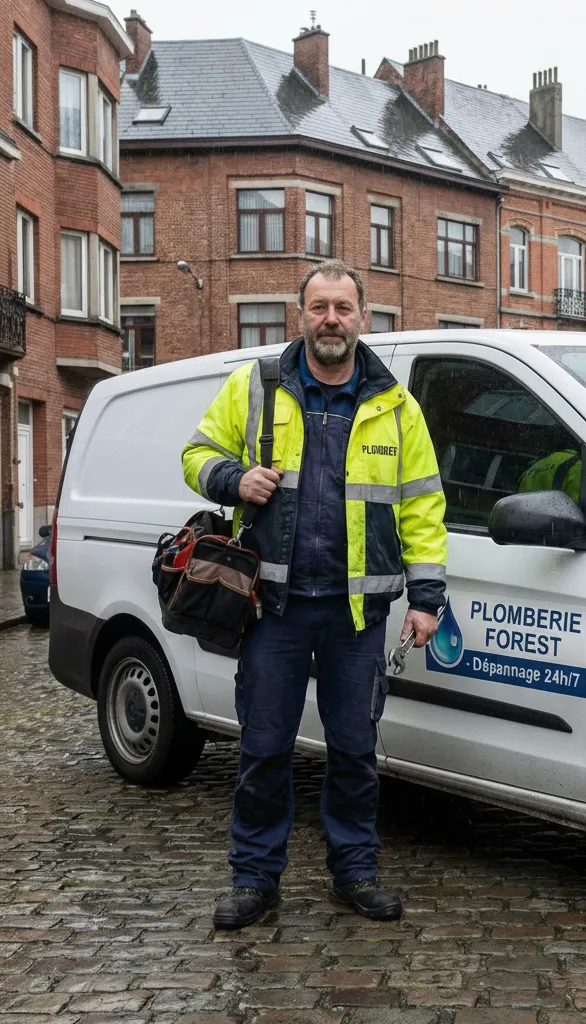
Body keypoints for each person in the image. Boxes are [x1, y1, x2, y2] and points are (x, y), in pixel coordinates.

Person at [182, 259, 447, 931]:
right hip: (273, 609)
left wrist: (426, 597)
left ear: (363, 317)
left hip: (357, 614)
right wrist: (235, 480)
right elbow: (195, 454)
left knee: (355, 750)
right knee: (265, 749)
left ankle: (354, 872)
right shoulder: (257, 386)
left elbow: (422, 507)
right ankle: (254, 879)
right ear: (301, 315)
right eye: (320, 307)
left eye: (344, 308)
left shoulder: (396, 404)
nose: (332, 319)